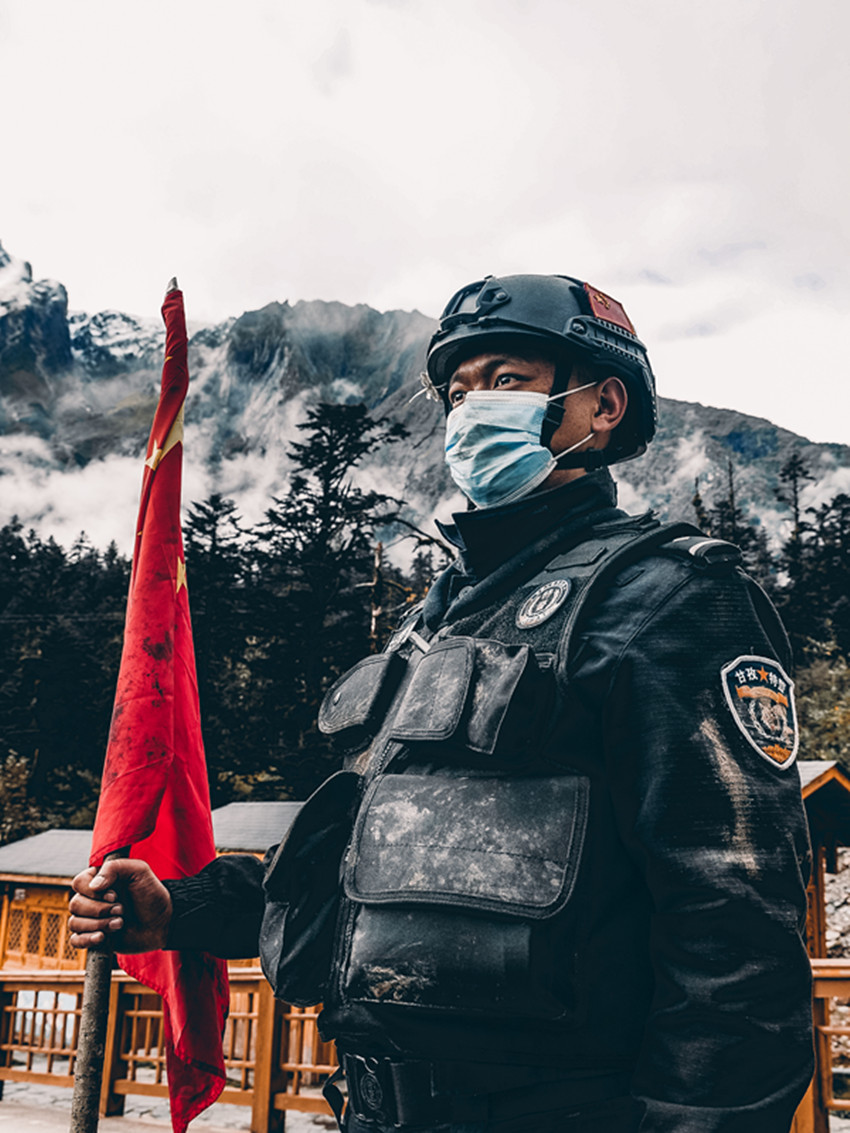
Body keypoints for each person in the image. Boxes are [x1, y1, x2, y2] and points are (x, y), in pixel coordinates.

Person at [70, 274, 814, 1133]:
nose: (471, 410)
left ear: (604, 405)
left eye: (505, 380)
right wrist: (179, 907)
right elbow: (353, 869)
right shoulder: (429, 626)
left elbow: (736, 934)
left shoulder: (671, 599)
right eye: (457, 393)